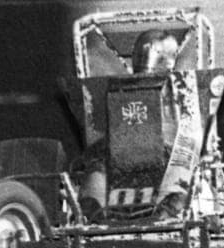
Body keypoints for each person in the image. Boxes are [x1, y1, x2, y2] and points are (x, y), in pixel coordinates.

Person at [76, 30, 181, 221]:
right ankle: (95, 216)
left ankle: (96, 219)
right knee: (97, 167)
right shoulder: (183, 92)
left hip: (158, 162)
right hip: (131, 161)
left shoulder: (181, 91)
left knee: (181, 165)